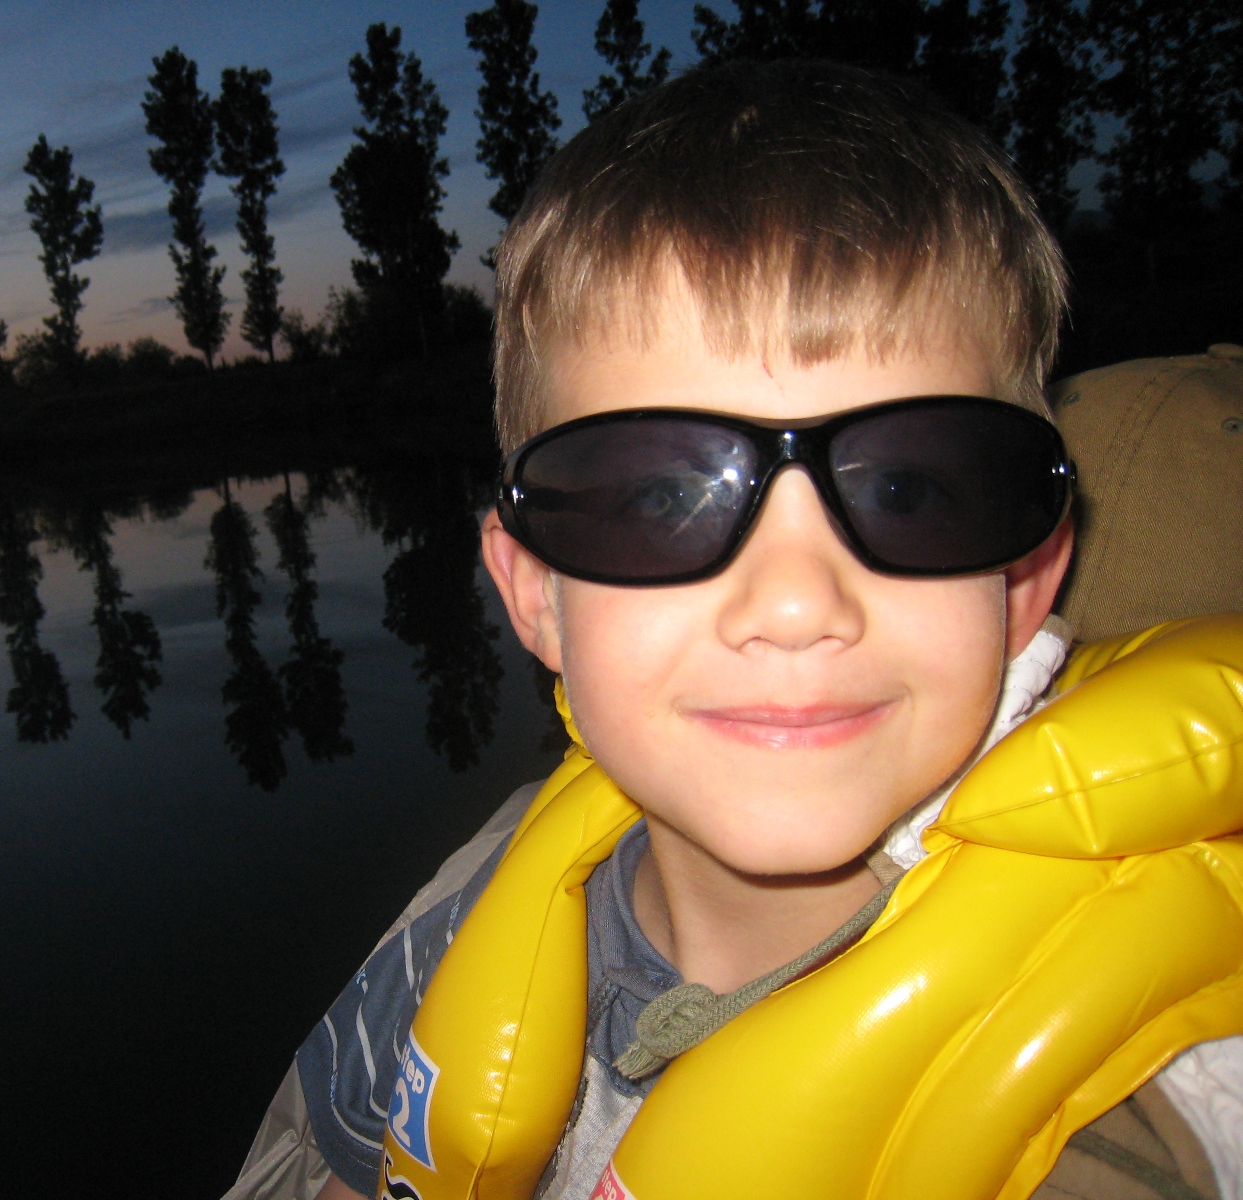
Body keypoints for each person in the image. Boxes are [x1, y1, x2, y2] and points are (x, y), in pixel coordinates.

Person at [225, 61, 1243, 1200]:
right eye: (663, 496)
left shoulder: (1158, 1109)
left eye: (906, 489)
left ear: (1023, 578)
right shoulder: (469, 915)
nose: (797, 605)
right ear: (536, 595)